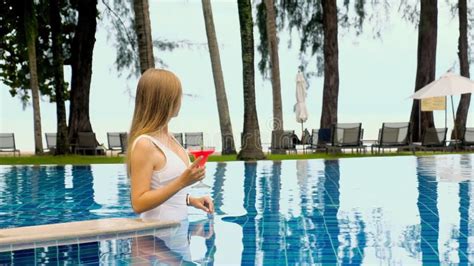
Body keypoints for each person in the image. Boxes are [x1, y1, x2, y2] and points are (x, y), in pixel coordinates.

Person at [126, 68, 215, 222]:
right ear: (165, 101)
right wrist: (182, 182)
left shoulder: (170, 138)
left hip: (176, 238)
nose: (180, 100)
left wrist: (190, 200)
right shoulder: (145, 144)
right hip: (154, 240)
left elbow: (164, 188)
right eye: (178, 95)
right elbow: (138, 203)